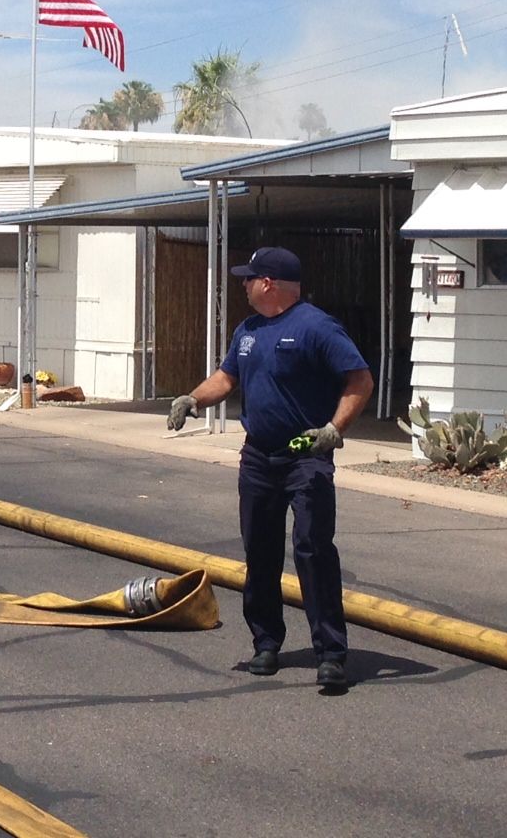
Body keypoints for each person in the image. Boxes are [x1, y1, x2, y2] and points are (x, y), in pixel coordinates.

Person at [165, 246, 373, 692]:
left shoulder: (317, 327)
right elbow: (227, 377)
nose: (243, 284)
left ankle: (331, 653)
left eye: (249, 277)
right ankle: (266, 642)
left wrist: (335, 429)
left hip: (306, 455)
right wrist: (193, 398)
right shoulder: (248, 330)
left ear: (270, 283)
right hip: (259, 456)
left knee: (312, 549)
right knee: (259, 551)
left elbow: (360, 379)